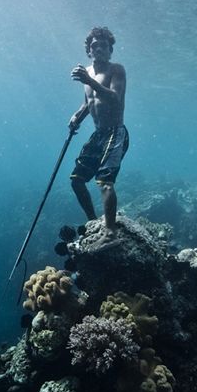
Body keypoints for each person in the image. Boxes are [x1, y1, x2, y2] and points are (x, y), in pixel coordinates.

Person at [68, 27, 128, 245]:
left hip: (115, 132)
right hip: (98, 134)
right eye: (95, 45)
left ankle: (110, 231)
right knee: (77, 180)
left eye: (104, 46)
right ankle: (94, 222)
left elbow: (114, 98)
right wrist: (77, 116)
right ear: (88, 50)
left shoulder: (116, 70)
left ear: (110, 50)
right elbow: (89, 102)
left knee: (104, 182)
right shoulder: (88, 73)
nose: (99, 49)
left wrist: (88, 81)